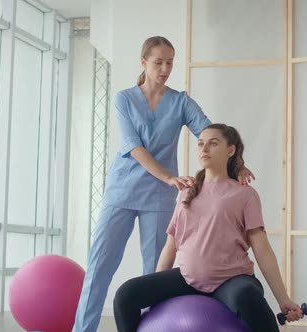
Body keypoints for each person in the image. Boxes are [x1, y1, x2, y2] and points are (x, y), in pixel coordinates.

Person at [72, 37, 255, 332]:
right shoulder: (124, 99)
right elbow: (134, 147)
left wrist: (238, 162)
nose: (165, 68)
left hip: (157, 198)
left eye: (170, 62)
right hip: (122, 192)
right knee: (99, 269)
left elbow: (211, 133)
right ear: (143, 62)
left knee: (153, 275)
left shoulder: (181, 101)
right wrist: (169, 177)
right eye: (158, 62)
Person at [113, 123, 303, 332]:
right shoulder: (186, 192)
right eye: (201, 144)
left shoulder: (245, 194)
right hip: (187, 278)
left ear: (231, 150)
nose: (204, 149)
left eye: (213, 144)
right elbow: (171, 244)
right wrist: (156, 288)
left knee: (246, 296)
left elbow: (262, 250)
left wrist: (283, 300)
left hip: (231, 281)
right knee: (125, 295)